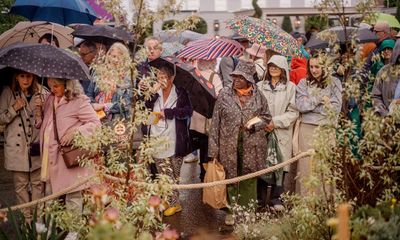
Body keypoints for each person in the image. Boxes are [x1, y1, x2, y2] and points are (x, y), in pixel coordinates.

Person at [208, 60, 272, 225]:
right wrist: (213, 150)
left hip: (253, 145)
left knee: (249, 178)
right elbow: (215, 122)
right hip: (228, 144)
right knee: (230, 178)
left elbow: (266, 117)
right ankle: (232, 211)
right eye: (234, 76)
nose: (236, 79)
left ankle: (248, 210)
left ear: (249, 79)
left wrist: (254, 126)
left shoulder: (259, 96)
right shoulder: (224, 94)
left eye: (240, 77)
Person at [39, 77, 100, 212]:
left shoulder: (79, 101)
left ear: (68, 85)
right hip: (50, 157)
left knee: (73, 196)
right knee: (50, 195)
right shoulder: (50, 99)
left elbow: (96, 124)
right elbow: (47, 124)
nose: (53, 89)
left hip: (67, 157)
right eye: (51, 86)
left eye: (56, 86)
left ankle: (74, 232)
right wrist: (39, 114)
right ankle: (51, 231)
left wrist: (76, 132)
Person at [141, 64, 192, 217]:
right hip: (157, 136)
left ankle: (174, 202)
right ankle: (171, 201)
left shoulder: (180, 93)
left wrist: (169, 112)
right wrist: (150, 93)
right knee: (163, 172)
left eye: (164, 77)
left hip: (176, 137)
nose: (161, 80)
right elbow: (145, 108)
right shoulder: (154, 92)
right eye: (159, 77)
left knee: (174, 172)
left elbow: (188, 112)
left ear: (172, 78)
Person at [0, 70, 47, 219]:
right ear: (16, 77)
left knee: (38, 187)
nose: (26, 80)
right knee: (20, 189)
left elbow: (53, 118)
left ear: (33, 77)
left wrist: (44, 107)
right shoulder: (7, 93)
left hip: (36, 148)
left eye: (29, 76)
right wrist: (13, 109)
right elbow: (0, 118)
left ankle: (38, 225)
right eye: (22, 76)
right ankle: (27, 226)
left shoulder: (42, 92)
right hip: (16, 150)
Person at [295, 54, 342, 196]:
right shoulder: (304, 83)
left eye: (317, 67)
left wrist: (313, 104)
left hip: (326, 128)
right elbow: (301, 105)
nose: (314, 70)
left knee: (325, 166)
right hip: (307, 128)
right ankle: (306, 202)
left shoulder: (334, 82)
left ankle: (325, 202)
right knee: (306, 166)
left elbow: (335, 108)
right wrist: (320, 99)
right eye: (311, 67)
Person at [257, 55, 299, 209]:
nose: (273, 68)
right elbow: (255, 108)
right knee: (262, 164)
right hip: (262, 131)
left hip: (281, 132)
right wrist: (264, 122)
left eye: (276, 65)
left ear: (283, 68)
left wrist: (276, 122)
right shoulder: (259, 86)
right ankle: (260, 199)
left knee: (280, 164)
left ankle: (277, 198)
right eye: (270, 65)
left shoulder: (291, 87)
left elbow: (294, 111)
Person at [186, 59, 223, 182]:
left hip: (195, 117)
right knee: (206, 148)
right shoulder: (214, 76)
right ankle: (205, 176)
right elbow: (218, 95)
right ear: (212, 62)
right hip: (208, 119)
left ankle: (202, 174)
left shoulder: (194, 75)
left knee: (199, 144)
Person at [87, 42, 132, 121]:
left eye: (120, 57)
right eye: (114, 56)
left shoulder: (127, 77)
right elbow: (89, 94)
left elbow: (126, 103)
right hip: (96, 117)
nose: (116, 60)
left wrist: (105, 106)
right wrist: (93, 105)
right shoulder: (98, 72)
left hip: (117, 120)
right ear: (108, 56)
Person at [372, 39, 400, 116]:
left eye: (389, 49)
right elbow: (376, 96)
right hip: (388, 121)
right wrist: (385, 115)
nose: (387, 51)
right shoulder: (384, 71)